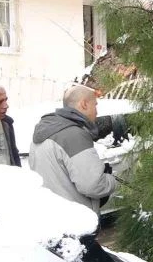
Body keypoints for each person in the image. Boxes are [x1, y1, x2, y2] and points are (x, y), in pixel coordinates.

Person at [29, 84, 117, 214]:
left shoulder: (45, 130)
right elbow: (93, 185)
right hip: (76, 218)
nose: (97, 112)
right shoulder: (74, 135)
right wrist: (111, 180)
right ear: (84, 104)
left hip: (49, 214)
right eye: (95, 105)